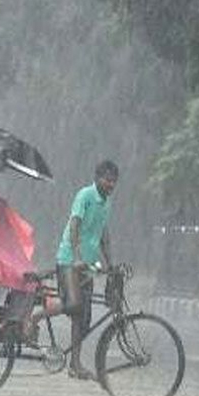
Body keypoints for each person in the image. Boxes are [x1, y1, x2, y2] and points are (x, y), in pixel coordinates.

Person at [55, 160, 118, 380]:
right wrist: (77, 257)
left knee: (85, 318)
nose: (111, 185)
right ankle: (36, 318)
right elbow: (75, 225)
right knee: (74, 307)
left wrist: (110, 264)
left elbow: (103, 234)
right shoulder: (85, 195)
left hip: (89, 267)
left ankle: (75, 364)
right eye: (108, 180)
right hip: (70, 261)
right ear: (98, 178)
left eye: (114, 181)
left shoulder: (107, 203)